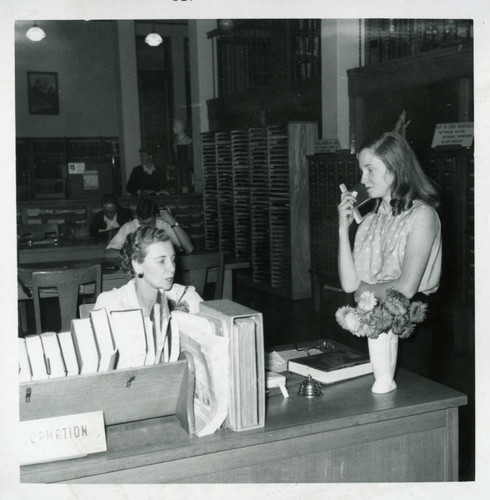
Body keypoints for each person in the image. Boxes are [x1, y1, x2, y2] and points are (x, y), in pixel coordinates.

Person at [337, 131, 442, 374]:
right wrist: (343, 229)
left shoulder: (421, 215)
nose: (362, 180)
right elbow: (349, 283)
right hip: (371, 322)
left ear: (394, 168)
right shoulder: (370, 220)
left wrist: (364, 292)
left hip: (410, 325)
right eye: (361, 170)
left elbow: (405, 288)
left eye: (370, 169)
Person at [94, 226, 202, 363]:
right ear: (138, 265)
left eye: (173, 259)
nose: (172, 268)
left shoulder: (187, 297)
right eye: (161, 261)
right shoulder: (109, 305)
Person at [104, 197, 194, 261]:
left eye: (150, 223)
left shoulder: (163, 224)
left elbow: (189, 248)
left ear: (156, 216)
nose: (146, 227)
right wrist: (133, 252)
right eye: (142, 223)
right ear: (137, 217)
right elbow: (107, 254)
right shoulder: (129, 227)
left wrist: (172, 221)